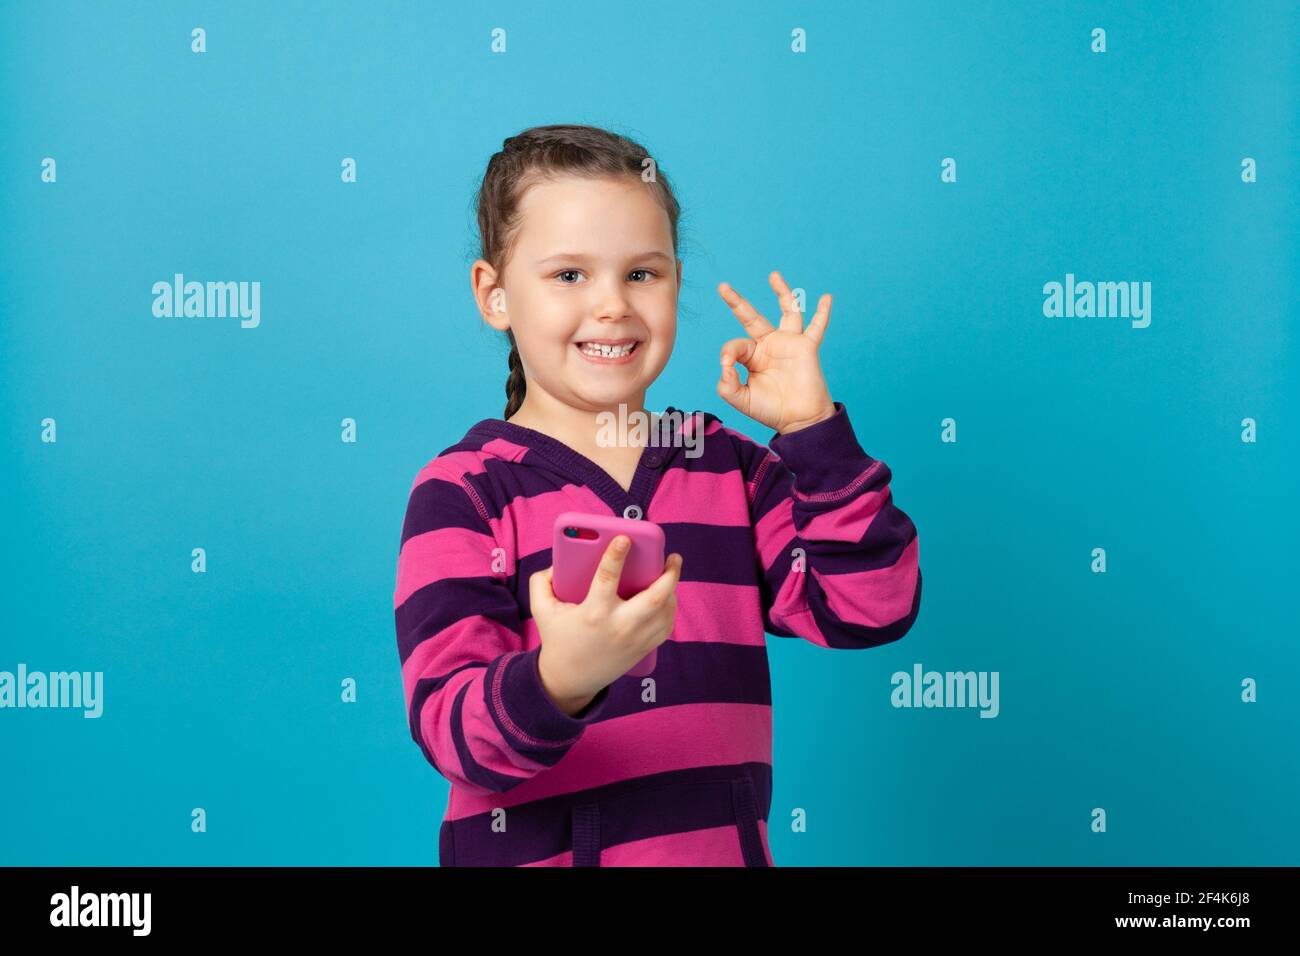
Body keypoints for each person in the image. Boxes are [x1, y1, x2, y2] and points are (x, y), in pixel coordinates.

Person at [393, 124, 922, 865]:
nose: (612, 306)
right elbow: (455, 735)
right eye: (569, 275)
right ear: (494, 294)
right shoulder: (465, 491)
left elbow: (872, 607)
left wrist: (813, 432)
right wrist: (563, 678)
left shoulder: (728, 467)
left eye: (642, 274)